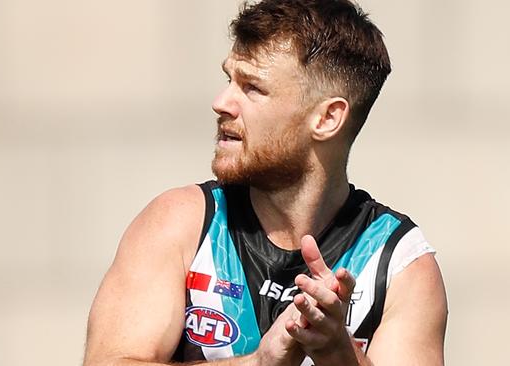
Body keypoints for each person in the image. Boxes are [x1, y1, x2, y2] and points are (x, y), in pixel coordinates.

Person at [83, 0, 448, 365]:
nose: (222, 102)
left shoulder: (400, 263)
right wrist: (258, 363)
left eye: (253, 88)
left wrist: (339, 355)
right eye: (230, 79)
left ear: (326, 118)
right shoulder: (180, 223)